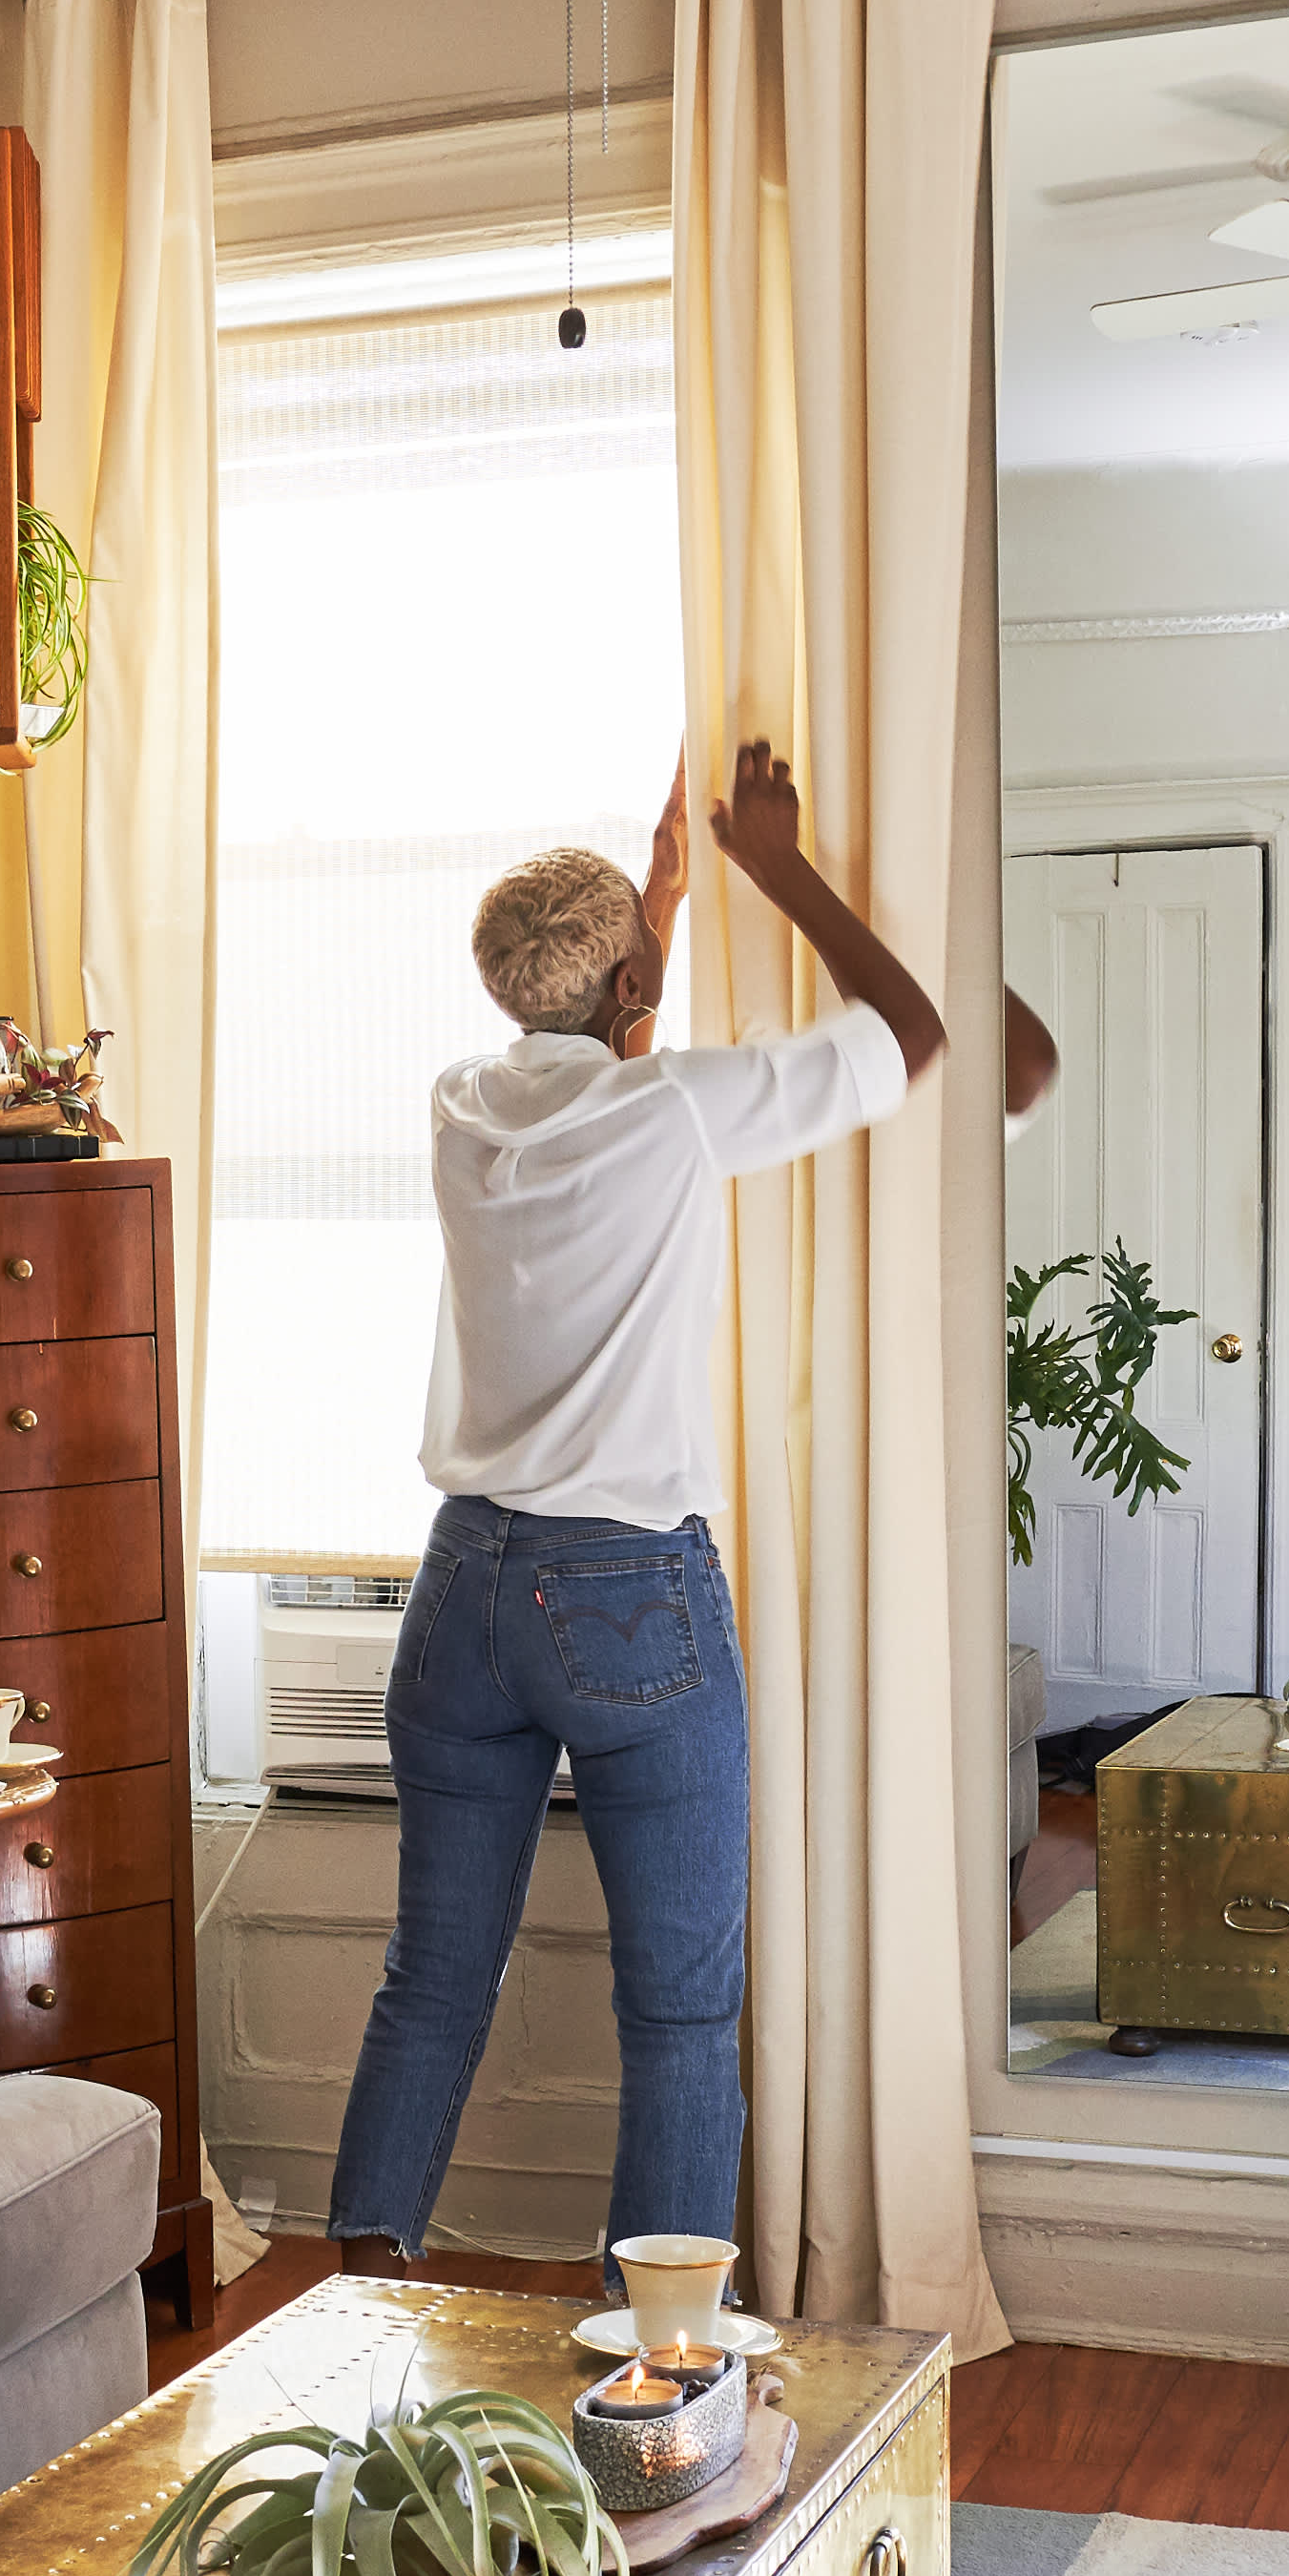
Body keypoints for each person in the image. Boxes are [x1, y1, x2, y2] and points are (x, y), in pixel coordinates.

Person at [325, 737, 1059, 2267]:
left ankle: (354, 2306)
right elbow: (921, 1037)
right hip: (622, 1595)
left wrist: (649, 895)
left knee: (430, 1983)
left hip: (459, 1592)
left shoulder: (463, 1103)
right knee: (675, 2011)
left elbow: (588, 1019)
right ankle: (656, 2393)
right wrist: (768, 867)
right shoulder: (665, 1114)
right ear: (627, 996)